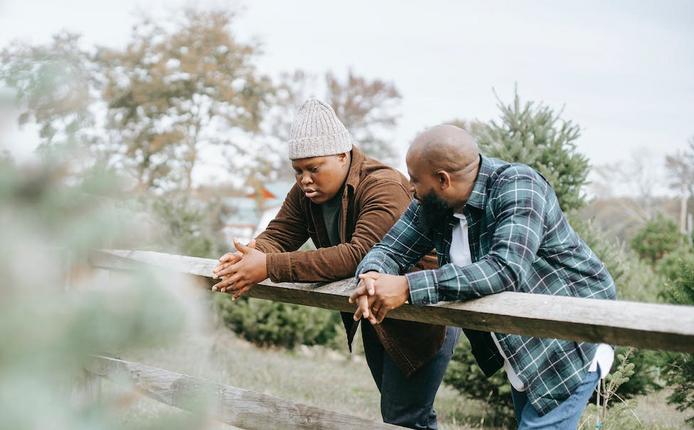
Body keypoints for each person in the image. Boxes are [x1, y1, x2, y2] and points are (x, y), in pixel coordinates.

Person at [212, 99, 460, 429]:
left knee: (404, 419)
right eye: (297, 170)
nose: (304, 179)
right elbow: (281, 233)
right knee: (406, 417)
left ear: (343, 155)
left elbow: (358, 255)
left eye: (314, 168)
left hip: (423, 316)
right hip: (378, 314)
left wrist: (269, 265)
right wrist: (250, 255)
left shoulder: (382, 185)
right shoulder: (305, 193)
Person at [350, 124, 617, 429]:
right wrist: (371, 276)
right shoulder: (434, 205)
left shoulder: (519, 185)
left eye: (414, 180)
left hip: (570, 336)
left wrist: (408, 287)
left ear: (442, 180)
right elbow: (390, 249)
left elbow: (505, 270)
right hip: (520, 345)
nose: (410, 188)